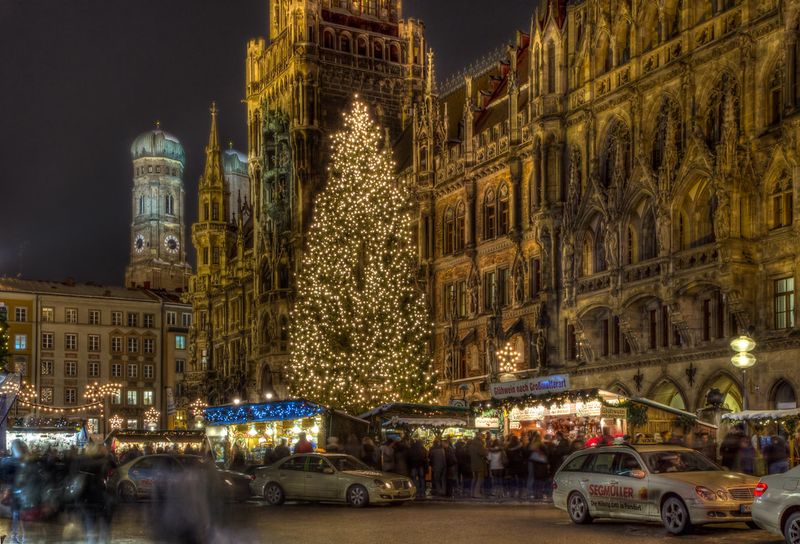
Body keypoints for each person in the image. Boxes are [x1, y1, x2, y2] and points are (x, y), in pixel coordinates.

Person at [468, 434, 487, 499]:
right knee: (480, 478)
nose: (483, 439)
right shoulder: (479, 444)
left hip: (473, 463)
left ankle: (472, 493)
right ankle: (477, 493)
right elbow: (483, 453)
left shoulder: (471, 444)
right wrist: (486, 451)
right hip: (480, 463)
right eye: (482, 437)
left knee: (474, 478)